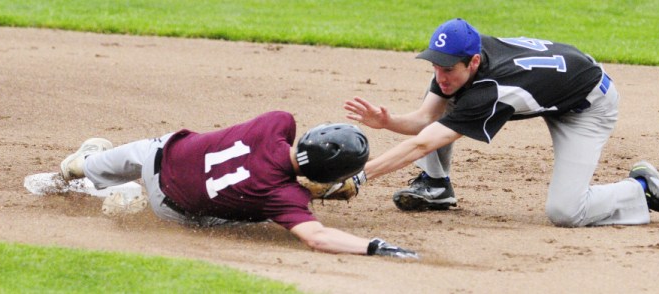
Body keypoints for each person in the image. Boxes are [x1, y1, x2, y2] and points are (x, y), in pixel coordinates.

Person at [343, 18, 659, 226]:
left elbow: (424, 140)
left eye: (447, 68)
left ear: (474, 61)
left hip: (589, 104)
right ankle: (436, 187)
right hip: (559, 79)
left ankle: (641, 190)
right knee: (448, 104)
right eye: (434, 64)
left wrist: (360, 176)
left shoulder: (489, 90)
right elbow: (424, 120)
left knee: (566, 212)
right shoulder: (457, 63)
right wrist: (387, 122)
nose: (439, 75)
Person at [59, 110, 419, 258]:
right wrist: (373, 247)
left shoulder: (277, 123)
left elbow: (262, 159)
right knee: (259, 214)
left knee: (83, 164)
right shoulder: (286, 196)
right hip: (172, 212)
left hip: (155, 153)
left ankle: (81, 166)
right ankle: (127, 195)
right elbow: (317, 237)